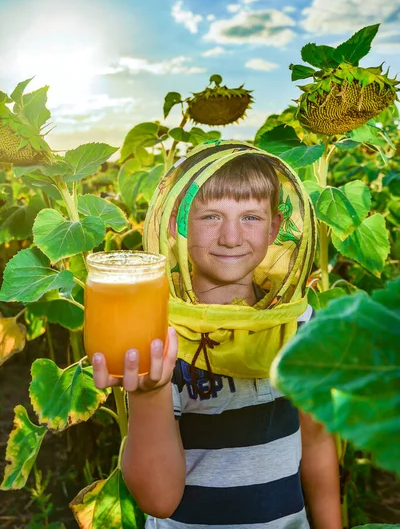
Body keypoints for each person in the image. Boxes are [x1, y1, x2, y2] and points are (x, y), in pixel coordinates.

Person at [93, 140, 342, 528]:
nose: (231, 237)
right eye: (210, 216)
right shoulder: (159, 335)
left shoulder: (301, 325)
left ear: (277, 226)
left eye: (251, 217)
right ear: (178, 222)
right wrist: (147, 392)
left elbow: (316, 443)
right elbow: (158, 499)